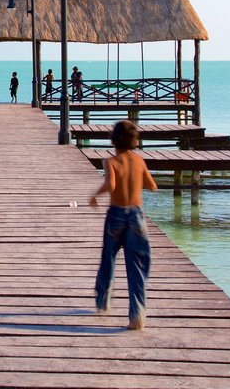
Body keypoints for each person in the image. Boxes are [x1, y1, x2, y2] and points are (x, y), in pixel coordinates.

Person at [89, 120, 157, 331]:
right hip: (136, 215)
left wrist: (95, 196)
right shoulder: (139, 161)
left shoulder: (110, 161)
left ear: (114, 140)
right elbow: (152, 186)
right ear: (134, 141)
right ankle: (137, 315)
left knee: (108, 258)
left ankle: (103, 301)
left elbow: (111, 185)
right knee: (136, 266)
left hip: (116, 214)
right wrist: (137, 181)